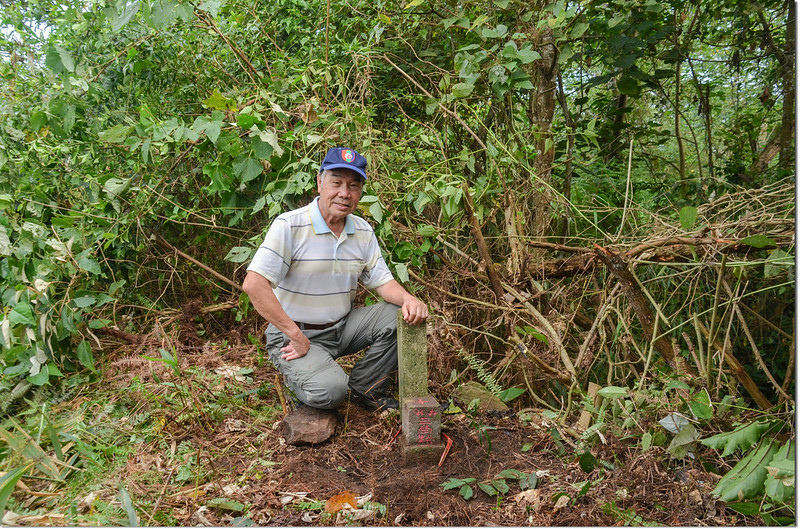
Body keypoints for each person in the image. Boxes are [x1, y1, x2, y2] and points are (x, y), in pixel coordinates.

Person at [242, 147, 428, 412]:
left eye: (353, 185)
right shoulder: (290, 225)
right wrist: (293, 334)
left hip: (341, 328)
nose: (344, 193)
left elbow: (383, 282)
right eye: (336, 182)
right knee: (331, 392)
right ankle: (308, 376)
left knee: (399, 316)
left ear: (360, 192)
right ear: (320, 182)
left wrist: (410, 300)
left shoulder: (362, 230)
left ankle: (366, 389)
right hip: (294, 334)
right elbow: (254, 284)